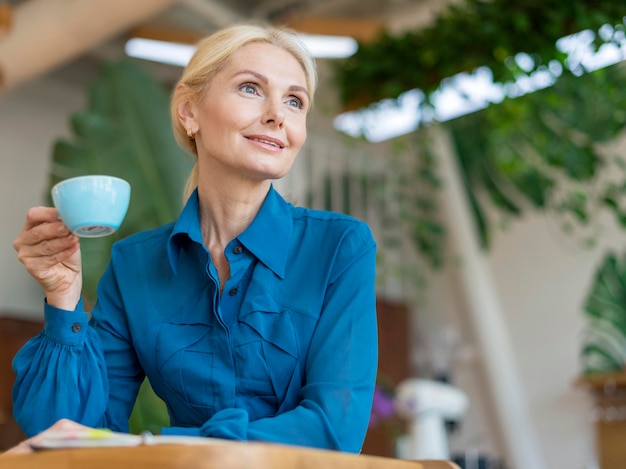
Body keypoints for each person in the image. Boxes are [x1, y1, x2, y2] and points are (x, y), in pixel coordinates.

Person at [6, 23, 378, 455]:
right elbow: (70, 435)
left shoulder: (340, 247)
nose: (279, 114)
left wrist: (168, 444)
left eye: (295, 101)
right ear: (189, 111)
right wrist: (63, 296)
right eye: (251, 89)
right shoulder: (134, 264)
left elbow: (334, 430)